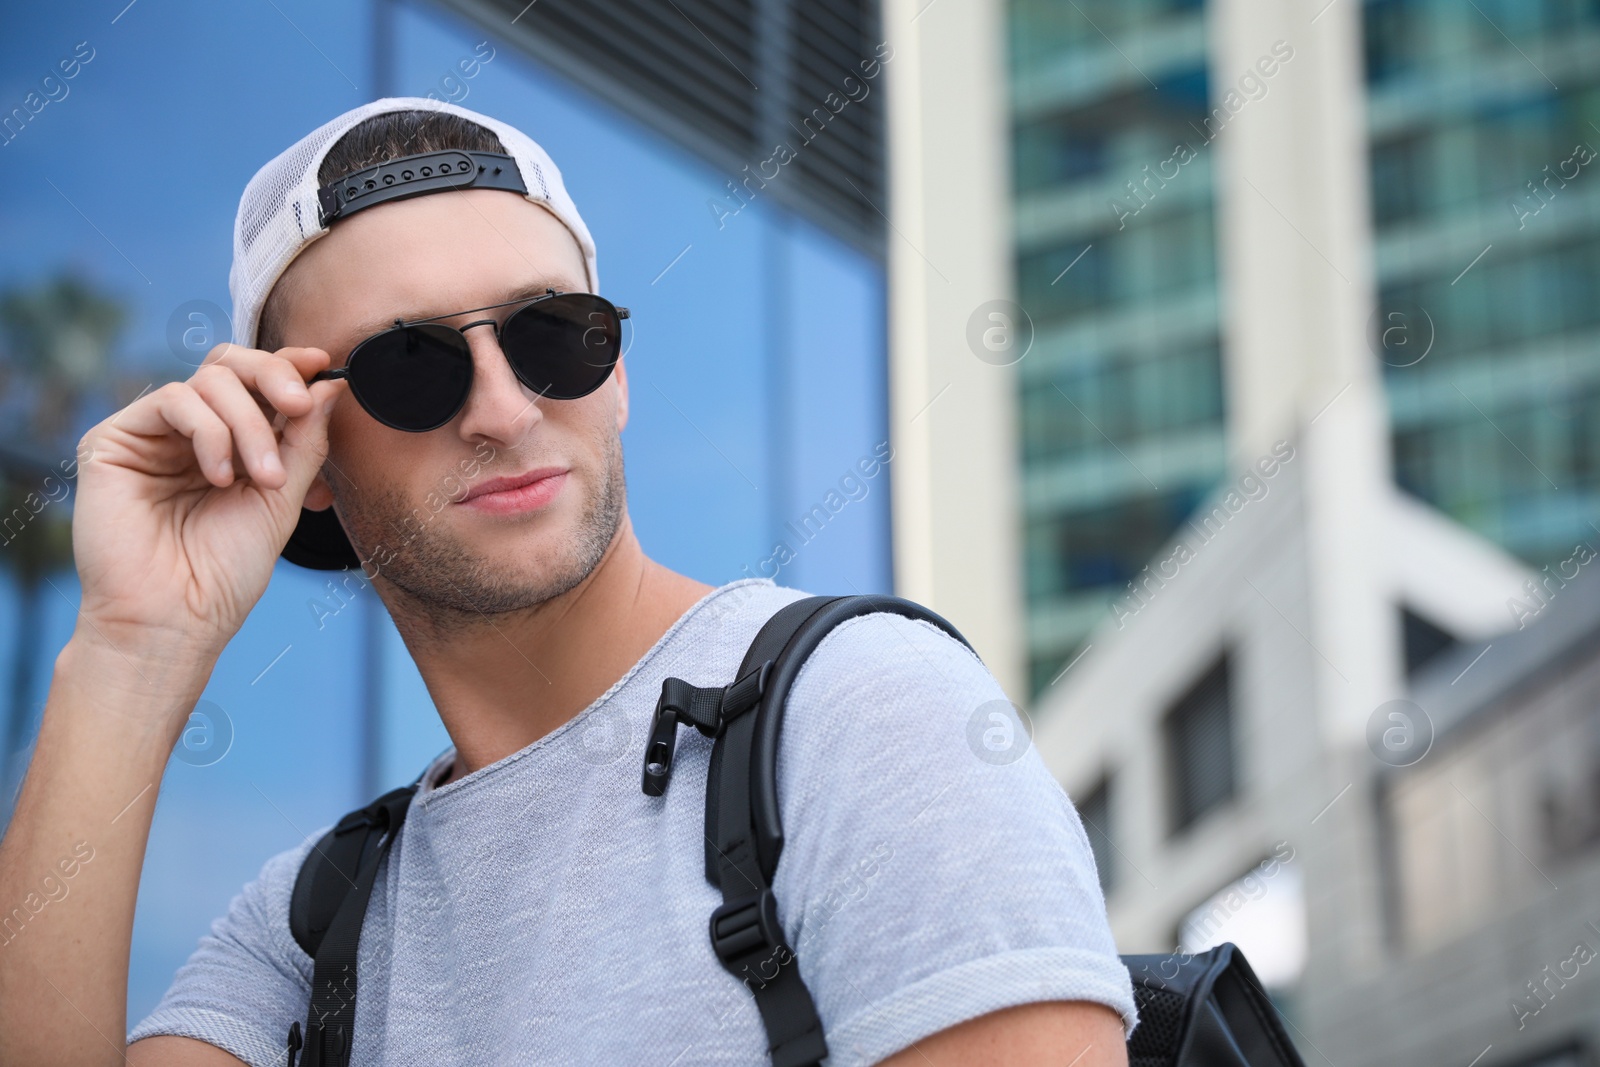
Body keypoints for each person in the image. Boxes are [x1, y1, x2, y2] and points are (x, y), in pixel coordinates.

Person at [0, 98, 1135, 1066]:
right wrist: (131, 648)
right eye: (413, 365)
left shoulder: (863, 712)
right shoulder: (310, 927)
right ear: (307, 458)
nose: (503, 408)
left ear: (619, 372)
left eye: (556, 334)